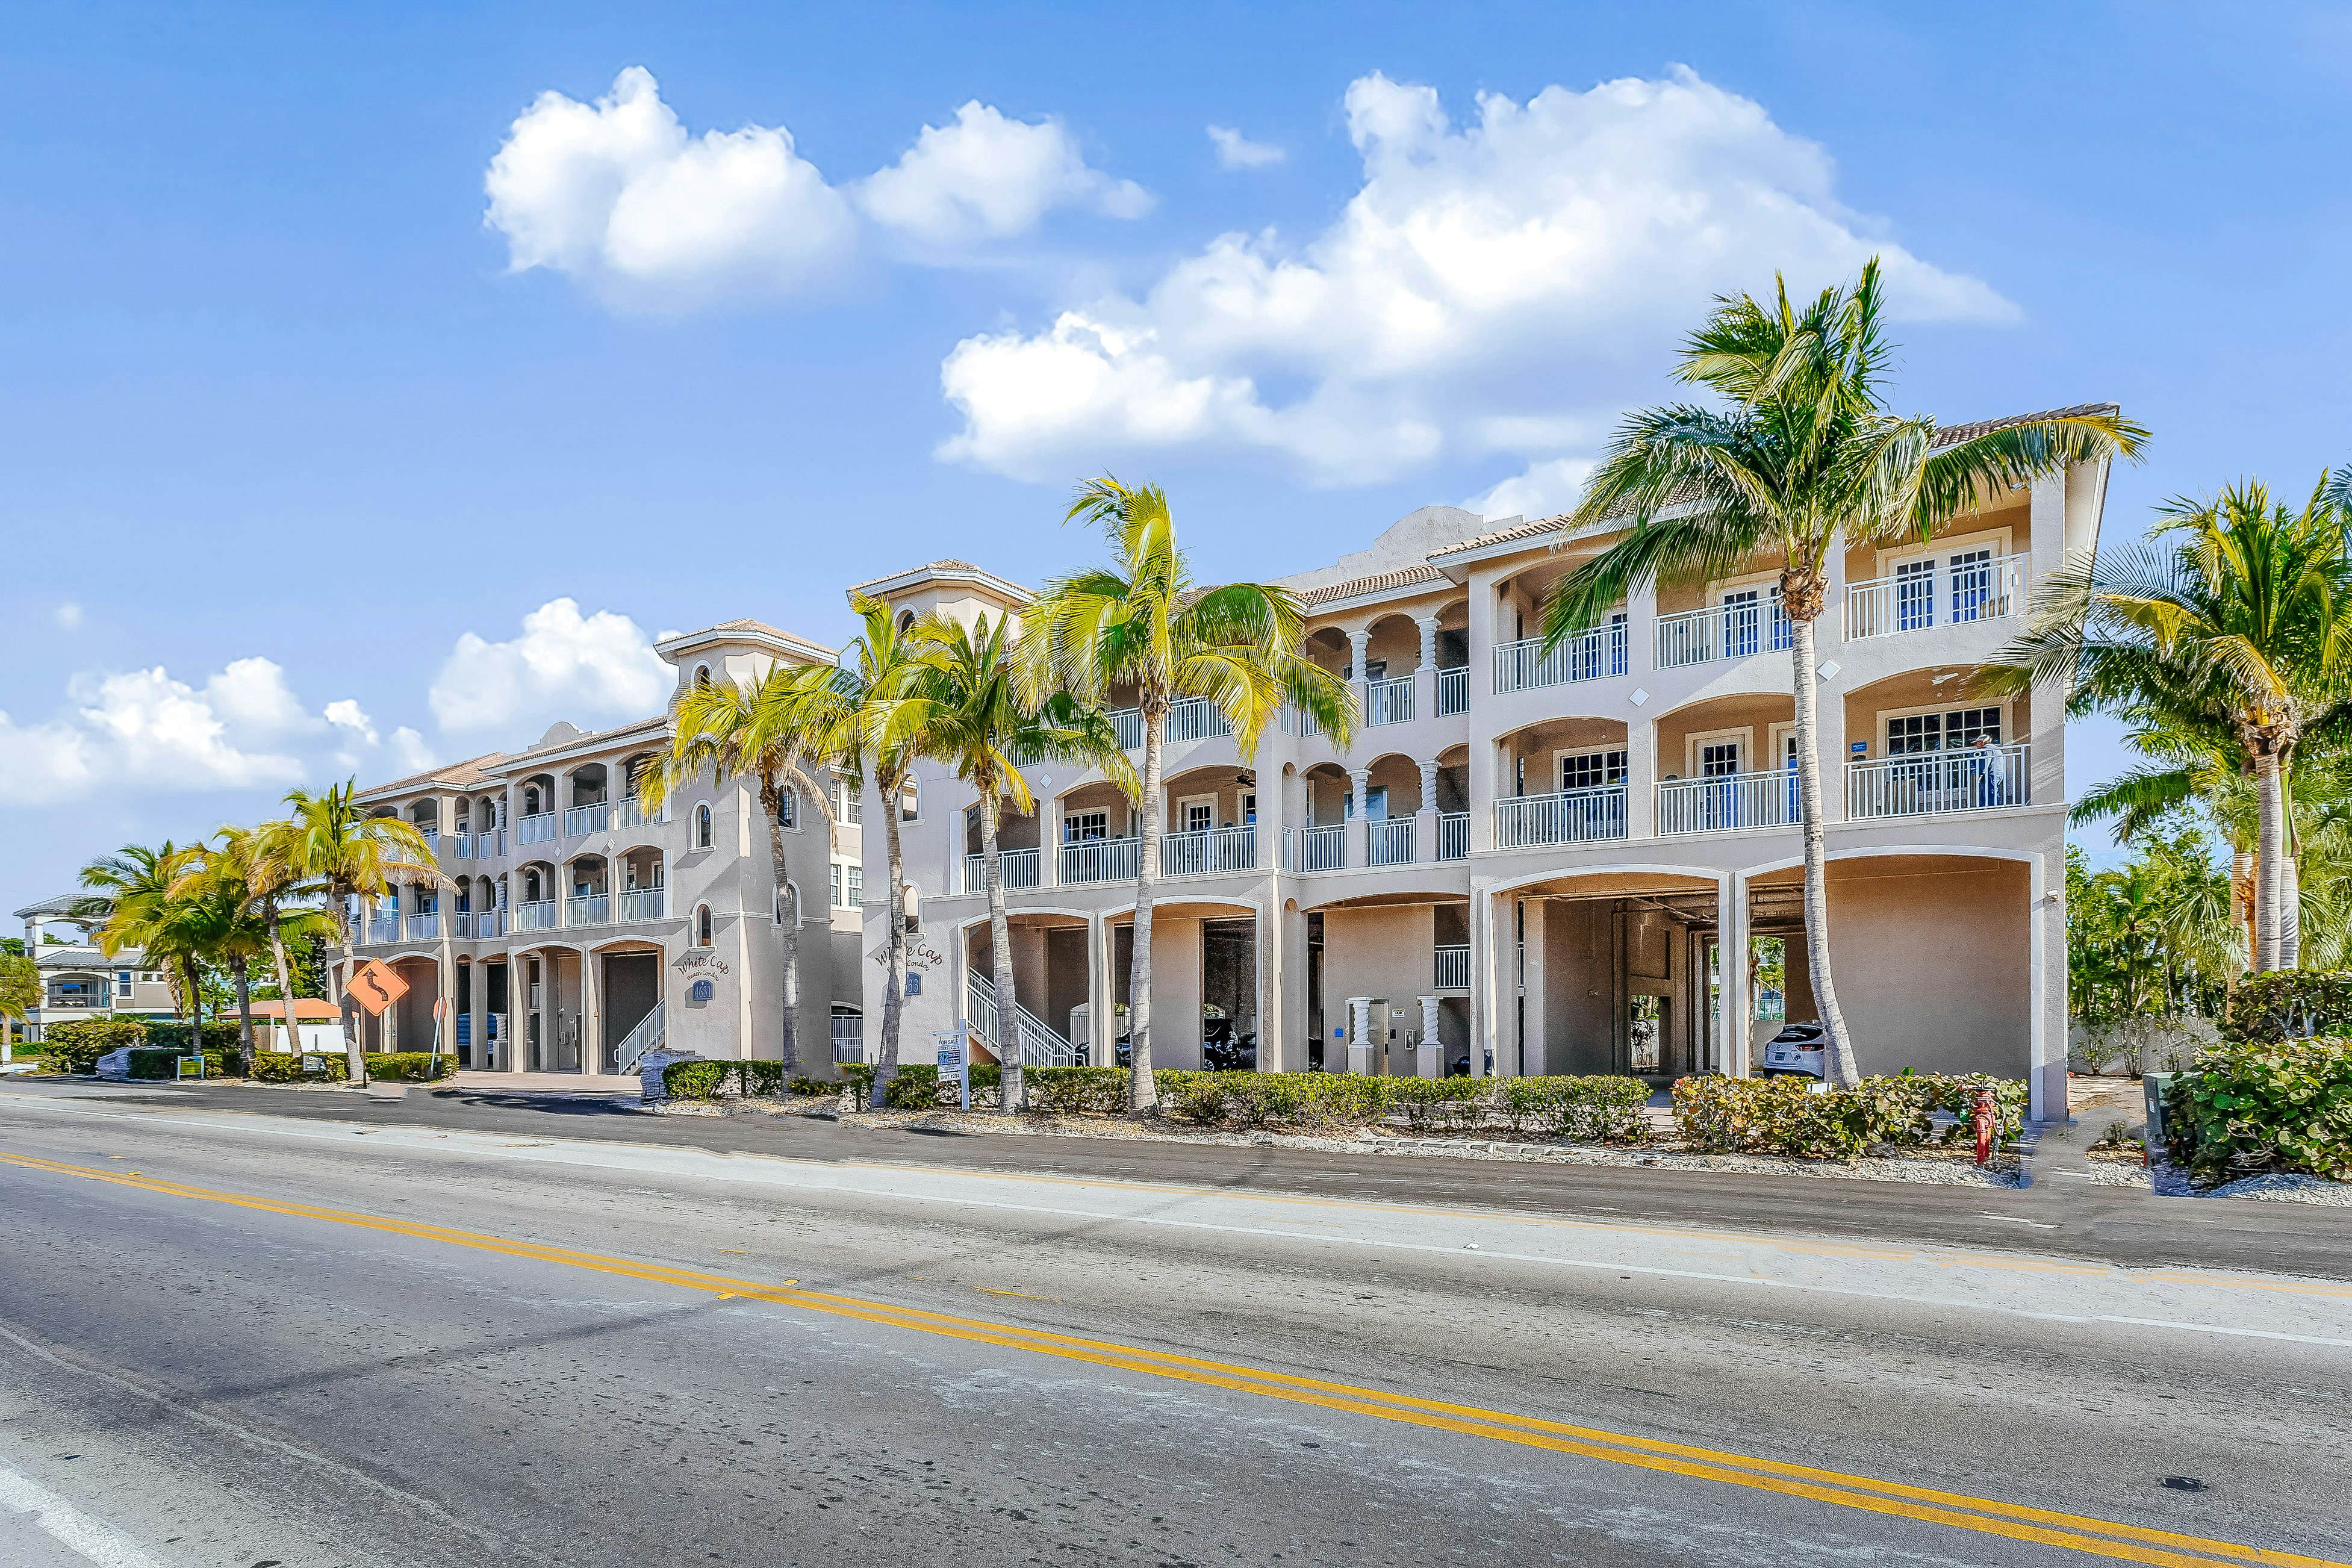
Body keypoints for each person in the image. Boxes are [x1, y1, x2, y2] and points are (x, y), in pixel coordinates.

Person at [1968, 732, 2005, 807]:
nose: (1976, 745)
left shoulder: (1988, 747)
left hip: (1992, 774)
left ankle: (1993, 807)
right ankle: (1986, 806)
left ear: (1983, 742)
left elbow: (1987, 761)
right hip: (1998, 773)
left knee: (1991, 792)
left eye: (1978, 742)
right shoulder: (1994, 748)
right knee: (1989, 791)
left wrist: (1982, 774)